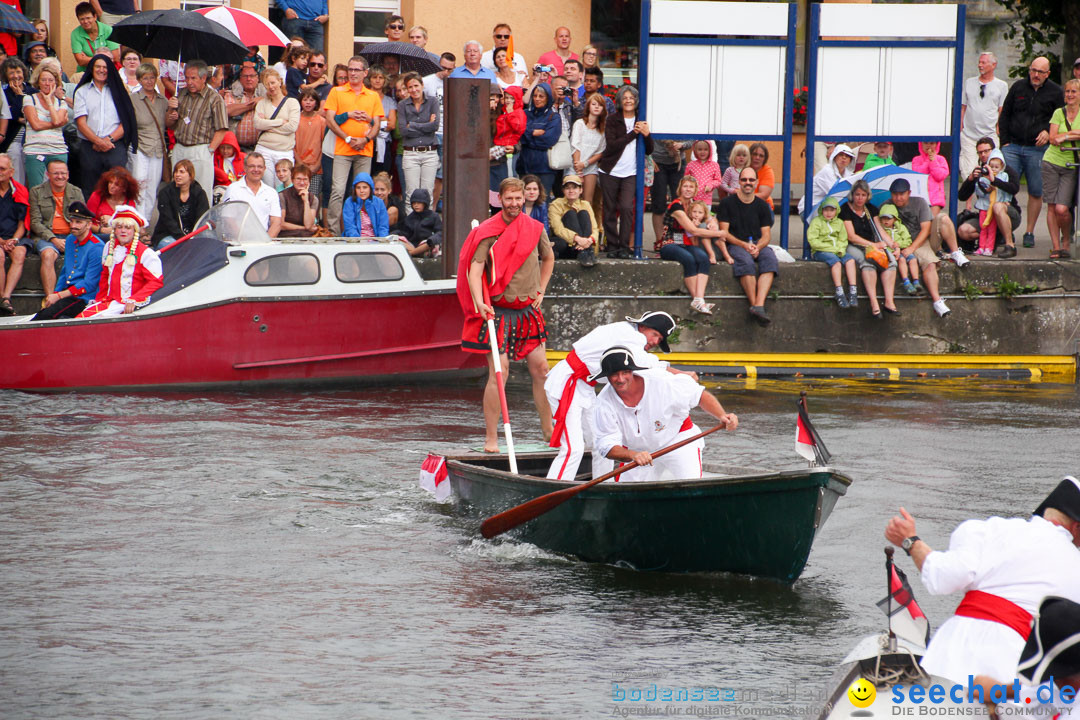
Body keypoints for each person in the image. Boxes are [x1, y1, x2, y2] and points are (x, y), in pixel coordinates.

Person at [884, 476, 1080, 686]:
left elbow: (943, 579)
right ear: (1076, 527)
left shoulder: (990, 529)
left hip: (955, 649)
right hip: (1017, 660)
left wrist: (911, 541)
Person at [457, 176, 554, 452]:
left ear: (525, 198)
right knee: (500, 372)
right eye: (509, 199)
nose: (514, 203)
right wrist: (480, 302)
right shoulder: (488, 231)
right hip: (497, 311)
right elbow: (475, 269)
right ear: (500, 199)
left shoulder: (535, 228)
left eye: (518, 198)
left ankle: (548, 430)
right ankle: (491, 438)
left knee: (542, 370)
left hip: (527, 311)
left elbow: (548, 259)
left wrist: (541, 290)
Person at [545, 312, 684, 481]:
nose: (655, 342)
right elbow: (644, 365)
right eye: (655, 335)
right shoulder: (630, 335)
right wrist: (681, 375)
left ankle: (604, 486)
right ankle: (553, 491)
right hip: (567, 383)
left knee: (601, 444)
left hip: (584, 388)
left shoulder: (628, 334)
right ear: (643, 326)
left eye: (660, 339)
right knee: (573, 449)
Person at [592, 347, 738, 483]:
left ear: (632, 371)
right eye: (614, 374)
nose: (621, 379)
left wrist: (722, 416)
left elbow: (699, 395)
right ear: (607, 377)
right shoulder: (603, 403)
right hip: (639, 453)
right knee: (626, 497)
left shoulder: (661, 381)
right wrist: (632, 455)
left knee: (691, 487)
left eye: (625, 372)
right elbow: (607, 445)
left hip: (678, 440)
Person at [999, 57, 1064, 250]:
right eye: (1033, 70)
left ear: (1048, 74)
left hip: (1038, 149)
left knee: (1036, 191)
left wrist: (1047, 131)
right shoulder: (1018, 87)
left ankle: (1029, 231)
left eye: (1040, 72)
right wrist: (1005, 142)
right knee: (1005, 189)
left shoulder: (1055, 92)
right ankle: (1005, 231)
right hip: (1013, 146)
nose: (1035, 75)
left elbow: (1059, 118)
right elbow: (1005, 114)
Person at [889, 177, 966, 317]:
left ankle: (955, 252)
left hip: (923, 239)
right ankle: (937, 301)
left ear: (909, 193)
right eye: (895, 194)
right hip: (903, 244)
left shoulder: (919, 202)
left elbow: (926, 229)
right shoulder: (887, 206)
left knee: (943, 217)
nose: (898, 197)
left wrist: (912, 248)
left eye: (902, 194)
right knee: (930, 264)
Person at [324, 56, 384, 235]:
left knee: (363, 190)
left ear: (365, 73)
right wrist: (348, 138)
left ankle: (361, 230)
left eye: (357, 70)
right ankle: (333, 233)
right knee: (338, 190)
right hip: (343, 148)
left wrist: (365, 140)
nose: (353, 73)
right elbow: (329, 120)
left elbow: (377, 124)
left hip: (365, 150)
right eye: (350, 69)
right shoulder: (337, 91)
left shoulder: (373, 96)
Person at [17, 159, 84, 305]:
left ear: (68, 174)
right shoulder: (36, 191)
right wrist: (53, 239)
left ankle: (77, 299)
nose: (60, 177)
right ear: (48, 174)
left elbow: (82, 221)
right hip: (46, 236)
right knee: (48, 255)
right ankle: (50, 299)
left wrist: (72, 238)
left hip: (70, 235)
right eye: (56, 173)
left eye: (63, 173)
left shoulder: (76, 191)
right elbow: (35, 223)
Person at [658, 175, 727, 314]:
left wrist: (712, 222)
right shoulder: (676, 206)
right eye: (685, 186)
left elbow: (708, 215)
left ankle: (699, 300)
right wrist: (719, 234)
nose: (688, 189)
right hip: (670, 243)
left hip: (686, 243)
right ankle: (698, 299)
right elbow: (692, 230)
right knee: (688, 259)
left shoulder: (694, 204)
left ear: (695, 190)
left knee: (702, 258)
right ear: (680, 188)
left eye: (691, 187)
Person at [717, 166, 778, 325]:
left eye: (751, 180)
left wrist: (758, 247)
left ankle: (758, 306)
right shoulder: (727, 203)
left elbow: (766, 235)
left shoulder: (762, 205)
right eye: (744, 179)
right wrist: (745, 245)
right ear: (739, 182)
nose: (748, 183)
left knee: (770, 261)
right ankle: (755, 306)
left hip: (757, 243)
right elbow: (724, 233)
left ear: (757, 182)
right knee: (746, 262)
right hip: (736, 243)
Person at [78, 205, 162, 318]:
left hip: (128, 305)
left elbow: (155, 282)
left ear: (134, 231)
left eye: (127, 227)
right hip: (109, 302)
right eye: (119, 227)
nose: (123, 231)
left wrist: (135, 299)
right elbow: (105, 275)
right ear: (114, 230)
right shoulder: (108, 247)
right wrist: (100, 299)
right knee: (83, 318)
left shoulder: (146, 253)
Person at [598, 85, 652, 259]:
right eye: (625, 97)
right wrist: (633, 133)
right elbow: (612, 145)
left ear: (636, 101)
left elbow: (649, 150)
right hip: (610, 171)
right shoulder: (613, 119)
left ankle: (624, 247)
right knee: (610, 209)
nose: (628, 100)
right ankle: (612, 246)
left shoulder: (641, 119)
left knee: (627, 207)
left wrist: (645, 134)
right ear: (620, 100)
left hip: (631, 172)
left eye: (631, 97)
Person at [166, 60, 229, 204]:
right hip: (180, 147)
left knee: (201, 191)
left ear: (203, 78)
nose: (189, 82)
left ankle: (200, 225)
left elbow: (222, 129)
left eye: (193, 78)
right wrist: (171, 111)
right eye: (187, 78)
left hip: (201, 148)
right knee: (177, 189)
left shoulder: (214, 99)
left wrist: (210, 150)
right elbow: (169, 124)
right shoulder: (180, 94)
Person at [30, 201, 100, 320]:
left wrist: (59, 296)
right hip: (68, 293)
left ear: (88, 225)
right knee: (42, 315)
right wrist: (56, 293)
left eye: (78, 222)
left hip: (85, 298)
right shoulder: (70, 239)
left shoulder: (97, 247)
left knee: (45, 318)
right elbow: (65, 271)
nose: (73, 225)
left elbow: (89, 284)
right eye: (72, 221)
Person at [957, 136, 1022, 257]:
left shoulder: (1005, 170)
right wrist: (971, 179)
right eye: (980, 152)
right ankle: (992, 239)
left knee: (997, 207)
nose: (983, 155)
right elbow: (961, 196)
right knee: (963, 231)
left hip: (1008, 213)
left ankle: (1009, 245)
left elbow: (1014, 189)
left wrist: (994, 180)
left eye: (986, 151)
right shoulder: (980, 172)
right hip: (986, 215)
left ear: (993, 150)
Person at [838, 179, 892, 317]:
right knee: (866, 261)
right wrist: (873, 245)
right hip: (853, 245)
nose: (860, 198)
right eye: (857, 194)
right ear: (852, 195)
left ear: (868, 195)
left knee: (890, 264)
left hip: (871, 245)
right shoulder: (845, 209)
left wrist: (892, 244)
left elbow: (880, 230)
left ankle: (889, 302)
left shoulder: (871, 209)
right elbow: (851, 236)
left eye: (863, 195)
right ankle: (874, 303)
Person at [1040, 78, 1080, 259]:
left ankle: (1066, 240)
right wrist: (1071, 135)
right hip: (1052, 161)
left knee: (1062, 209)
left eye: (1074, 92)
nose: (1070, 95)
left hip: (1070, 165)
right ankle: (1056, 246)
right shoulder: (1058, 112)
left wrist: (1065, 137)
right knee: (1051, 206)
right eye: (1067, 92)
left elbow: (1059, 137)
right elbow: (1052, 138)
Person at [127, 62, 167, 225]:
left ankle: (147, 223)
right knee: (139, 187)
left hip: (158, 149)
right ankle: (137, 223)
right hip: (140, 148)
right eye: (145, 78)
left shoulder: (163, 101)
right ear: (139, 80)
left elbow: (169, 125)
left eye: (152, 78)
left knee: (152, 189)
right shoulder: (133, 99)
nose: (150, 81)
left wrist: (172, 112)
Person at [960, 52, 1008, 181]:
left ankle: (989, 200)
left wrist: (999, 127)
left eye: (983, 62)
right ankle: (968, 201)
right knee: (968, 171)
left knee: (992, 169)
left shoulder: (1002, 85)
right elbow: (963, 106)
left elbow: (1001, 109)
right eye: (979, 62)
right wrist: (960, 125)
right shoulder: (969, 82)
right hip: (969, 134)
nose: (980, 65)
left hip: (990, 134)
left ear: (993, 65)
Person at [397, 71, 439, 210]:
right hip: (411, 153)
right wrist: (426, 125)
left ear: (422, 85)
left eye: (416, 85)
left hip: (429, 153)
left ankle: (426, 229)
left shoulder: (432, 101)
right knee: (411, 194)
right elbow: (403, 130)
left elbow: (435, 126)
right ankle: (411, 229)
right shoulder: (403, 105)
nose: (414, 90)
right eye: (410, 87)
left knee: (428, 194)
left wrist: (413, 125)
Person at [23, 61, 67, 189]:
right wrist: (55, 124)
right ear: (38, 81)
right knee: (37, 190)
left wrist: (49, 101)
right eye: (44, 80)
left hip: (58, 150)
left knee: (58, 190)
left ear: (56, 82)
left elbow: (57, 121)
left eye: (51, 80)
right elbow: (35, 125)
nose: (47, 84)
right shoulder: (29, 99)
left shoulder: (61, 103)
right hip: (35, 150)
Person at [253, 69, 300, 188]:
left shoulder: (292, 103)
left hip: (284, 151)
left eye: (273, 82)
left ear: (280, 81)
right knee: (267, 186)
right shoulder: (262, 103)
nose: (271, 87)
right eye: (267, 84)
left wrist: (268, 125)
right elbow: (258, 124)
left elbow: (292, 126)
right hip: (265, 149)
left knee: (283, 188)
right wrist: (279, 122)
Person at [808, 197, 858, 309]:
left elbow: (843, 239)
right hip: (821, 251)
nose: (829, 213)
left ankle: (853, 290)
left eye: (832, 210)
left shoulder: (839, 223)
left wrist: (840, 249)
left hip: (838, 250)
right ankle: (839, 291)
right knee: (836, 263)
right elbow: (813, 241)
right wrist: (832, 249)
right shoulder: (816, 222)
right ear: (822, 210)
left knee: (850, 260)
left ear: (836, 211)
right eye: (826, 210)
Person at [151, 159, 209, 249]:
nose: (177, 175)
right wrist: (184, 239)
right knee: (180, 248)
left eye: (182, 172)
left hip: (193, 235)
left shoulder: (199, 193)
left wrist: (193, 237)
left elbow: (202, 219)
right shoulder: (165, 193)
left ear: (190, 175)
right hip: (168, 234)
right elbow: (168, 220)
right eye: (176, 172)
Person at [222, 152, 281, 237]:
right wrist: (244, 241)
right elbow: (228, 219)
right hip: (239, 242)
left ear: (264, 168)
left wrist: (265, 243)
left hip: (263, 243)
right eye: (252, 166)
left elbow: (276, 222)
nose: (256, 170)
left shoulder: (271, 192)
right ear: (245, 168)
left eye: (259, 167)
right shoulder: (233, 189)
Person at [516, 82, 560, 195]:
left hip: (544, 168)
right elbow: (520, 134)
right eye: (535, 96)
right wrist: (533, 133)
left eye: (541, 96)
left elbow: (548, 140)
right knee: (524, 201)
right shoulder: (525, 114)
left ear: (548, 98)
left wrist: (528, 136)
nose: (537, 99)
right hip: (524, 166)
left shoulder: (554, 117)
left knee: (542, 202)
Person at [547, 174, 598, 267]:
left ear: (580, 190)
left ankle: (584, 251)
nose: (571, 191)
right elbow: (558, 229)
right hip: (567, 245)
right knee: (570, 214)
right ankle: (584, 251)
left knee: (583, 213)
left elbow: (594, 228)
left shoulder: (585, 204)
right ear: (563, 190)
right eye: (567, 188)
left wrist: (589, 240)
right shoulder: (556, 204)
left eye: (574, 188)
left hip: (584, 244)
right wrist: (578, 239)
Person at [0, 152, 28, 315]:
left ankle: (6, 298)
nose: (0, 172)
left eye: (2, 169)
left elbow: (22, 223)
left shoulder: (19, 190)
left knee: (20, 253)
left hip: (14, 237)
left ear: (11, 172)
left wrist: (14, 239)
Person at [972, 150, 1014, 257]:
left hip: (995, 206)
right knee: (983, 227)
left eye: (997, 167)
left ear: (1002, 167)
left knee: (992, 229)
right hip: (984, 207)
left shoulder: (1004, 176)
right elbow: (978, 191)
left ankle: (989, 248)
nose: (994, 169)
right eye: (992, 167)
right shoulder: (983, 177)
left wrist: (1007, 200)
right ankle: (981, 247)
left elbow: (1007, 190)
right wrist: (986, 189)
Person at [570, 91, 606, 211]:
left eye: (599, 105)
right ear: (588, 106)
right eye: (594, 104)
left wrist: (585, 164)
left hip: (590, 166)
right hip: (575, 165)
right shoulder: (579, 124)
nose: (596, 107)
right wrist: (578, 167)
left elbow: (600, 151)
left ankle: (587, 228)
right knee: (573, 200)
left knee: (587, 201)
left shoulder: (603, 128)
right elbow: (576, 145)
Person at [876, 202, 923, 295]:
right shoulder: (881, 231)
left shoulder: (900, 228)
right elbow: (881, 243)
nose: (886, 221)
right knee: (901, 260)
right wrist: (893, 249)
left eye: (889, 218)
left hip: (903, 249)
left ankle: (916, 281)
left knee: (913, 259)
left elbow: (908, 240)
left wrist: (899, 244)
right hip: (892, 252)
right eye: (883, 218)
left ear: (895, 219)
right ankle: (906, 281)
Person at [800, 144, 854, 217]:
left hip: (829, 208)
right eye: (841, 155)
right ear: (834, 157)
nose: (844, 158)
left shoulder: (849, 174)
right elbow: (835, 194)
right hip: (810, 208)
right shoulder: (827, 171)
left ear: (850, 160)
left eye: (847, 156)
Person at [224, 63, 264, 154]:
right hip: (235, 147)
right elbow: (228, 111)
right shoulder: (231, 94)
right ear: (240, 79)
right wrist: (253, 104)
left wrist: (262, 100)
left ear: (257, 78)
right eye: (245, 76)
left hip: (259, 147)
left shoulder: (265, 95)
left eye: (252, 76)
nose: (249, 79)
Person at [0, 57, 29, 185]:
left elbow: (33, 116)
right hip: (13, 140)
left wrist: (22, 117)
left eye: (18, 72)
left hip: (32, 139)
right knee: (15, 160)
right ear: (5, 76)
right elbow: (13, 115)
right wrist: (19, 96)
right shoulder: (4, 94)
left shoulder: (33, 91)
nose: (16, 76)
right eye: (11, 73)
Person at [87, 166, 138, 235]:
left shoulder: (129, 203)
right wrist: (101, 230)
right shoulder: (97, 196)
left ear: (124, 189)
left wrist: (112, 220)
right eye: (110, 182)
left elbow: (131, 226)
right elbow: (86, 221)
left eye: (116, 184)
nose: (112, 186)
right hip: (97, 235)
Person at [294, 88, 325, 199]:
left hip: (315, 168)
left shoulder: (321, 121)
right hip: (298, 165)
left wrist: (317, 165)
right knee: (298, 197)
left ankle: (313, 217)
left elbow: (323, 145)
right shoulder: (295, 119)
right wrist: (300, 163)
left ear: (316, 102)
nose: (308, 102)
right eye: (305, 99)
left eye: (311, 100)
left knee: (313, 198)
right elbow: (291, 144)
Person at [69, 2, 118, 73]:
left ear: (95, 17)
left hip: (106, 71)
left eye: (88, 18)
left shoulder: (108, 30)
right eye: (82, 19)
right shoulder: (75, 33)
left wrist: (88, 58)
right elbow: (80, 61)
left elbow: (115, 57)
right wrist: (105, 56)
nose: (85, 21)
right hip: (85, 72)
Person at [366, 66, 395, 180]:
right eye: (374, 77)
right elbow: (364, 121)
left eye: (380, 77)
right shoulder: (365, 97)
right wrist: (382, 120)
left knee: (383, 176)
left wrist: (374, 120)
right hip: (368, 142)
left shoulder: (389, 101)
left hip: (384, 143)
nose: (377, 80)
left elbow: (391, 124)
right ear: (369, 79)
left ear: (385, 80)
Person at [277, 164, 319, 238]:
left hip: (307, 237)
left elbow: (309, 225)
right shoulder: (282, 196)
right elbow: (281, 224)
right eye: (298, 179)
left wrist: (306, 201)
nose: (302, 182)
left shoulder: (313, 199)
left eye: (305, 179)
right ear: (292, 180)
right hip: (287, 235)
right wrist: (303, 228)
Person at [341, 172, 387, 238]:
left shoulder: (379, 203)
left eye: (365, 187)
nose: (361, 191)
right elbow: (350, 227)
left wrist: (382, 243)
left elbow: (383, 227)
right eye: (358, 188)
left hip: (376, 242)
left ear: (370, 188)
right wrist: (358, 243)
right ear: (354, 189)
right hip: (355, 243)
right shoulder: (349, 202)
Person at [397, 187, 441, 257]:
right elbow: (404, 234)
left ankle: (412, 253)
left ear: (425, 203)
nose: (416, 205)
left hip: (426, 244)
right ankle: (416, 252)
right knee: (397, 240)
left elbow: (440, 232)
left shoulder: (434, 216)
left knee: (429, 243)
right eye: (414, 203)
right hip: (412, 245)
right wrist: (394, 234)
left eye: (419, 203)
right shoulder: (410, 218)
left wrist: (433, 239)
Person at [911, 142, 949, 217]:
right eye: (925, 143)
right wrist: (928, 160)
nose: (928, 146)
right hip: (920, 197)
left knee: (932, 219)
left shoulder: (941, 159)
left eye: (932, 143)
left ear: (937, 145)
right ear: (921, 144)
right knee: (921, 221)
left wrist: (933, 162)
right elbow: (918, 174)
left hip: (935, 199)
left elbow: (940, 176)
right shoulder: (916, 159)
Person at [684, 140, 722, 205]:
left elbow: (718, 181)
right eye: (700, 149)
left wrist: (711, 185)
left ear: (710, 151)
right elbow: (685, 179)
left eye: (705, 149)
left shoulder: (714, 165)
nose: (702, 152)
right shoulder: (691, 165)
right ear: (695, 151)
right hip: (691, 198)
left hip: (706, 199)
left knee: (705, 214)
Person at [212, 130, 245, 200]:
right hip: (223, 189)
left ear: (234, 147)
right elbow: (211, 168)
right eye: (222, 147)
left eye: (228, 148)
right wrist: (221, 174)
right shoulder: (215, 158)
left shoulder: (243, 157)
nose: (225, 151)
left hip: (241, 189)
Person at [748, 142, 775, 211]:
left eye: (761, 156)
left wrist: (742, 197)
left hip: (763, 207)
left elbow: (763, 196)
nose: (757, 158)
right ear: (749, 155)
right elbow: (725, 185)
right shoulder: (742, 168)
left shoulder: (767, 171)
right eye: (754, 154)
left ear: (765, 159)